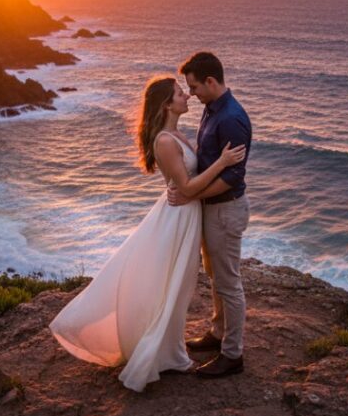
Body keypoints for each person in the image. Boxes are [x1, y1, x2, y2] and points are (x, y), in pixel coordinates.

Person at [48, 75, 246, 392]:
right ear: (167, 104)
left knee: (179, 285)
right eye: (180, 93)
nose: (187, 96)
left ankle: (170, 348)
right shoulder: (165, 141)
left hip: (187, 215)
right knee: (172, 284)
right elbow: (186, 187)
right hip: (177, 218)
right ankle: (158, 351)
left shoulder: (176, 134)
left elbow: (187, 185)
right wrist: (222, 162)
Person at [169, 51, 252, 378]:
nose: (191, 94)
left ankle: (233, 355)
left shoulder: (230, 118)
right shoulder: (212, 108)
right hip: (211, 208)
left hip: (225, 210)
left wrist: (191, 193)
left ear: (211, 81)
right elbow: (207, 158)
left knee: (228, 283)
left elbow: (232, 176)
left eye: (194, 87)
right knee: (216, 277)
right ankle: (218, 334)